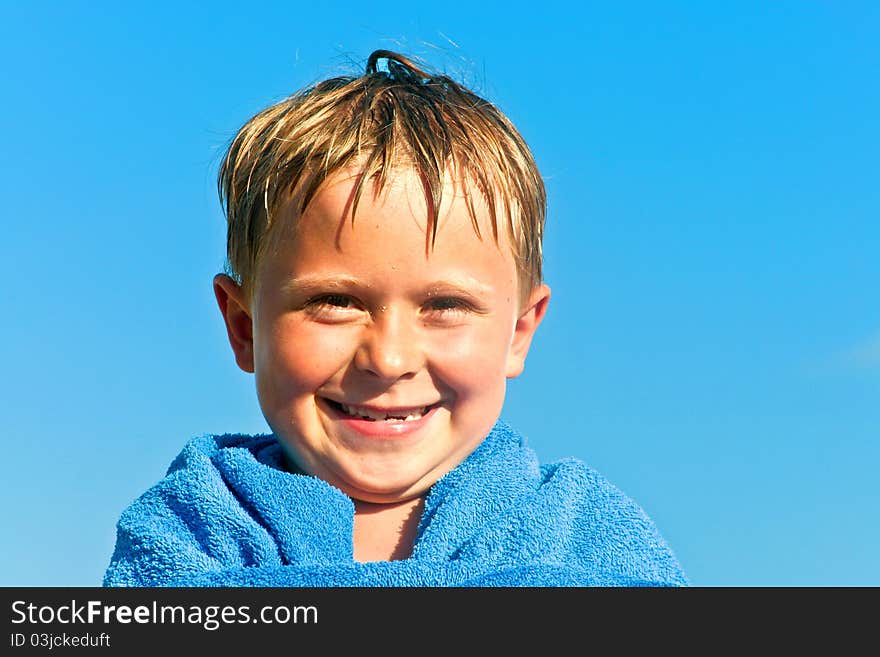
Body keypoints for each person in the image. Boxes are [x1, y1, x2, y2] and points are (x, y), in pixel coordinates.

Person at [103, 50, 688, 587]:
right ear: (244, 326)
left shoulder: (578, 529)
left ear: (518, 332)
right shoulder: (188, 525)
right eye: (334, 302)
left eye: (446, 306)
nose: (388, 358)